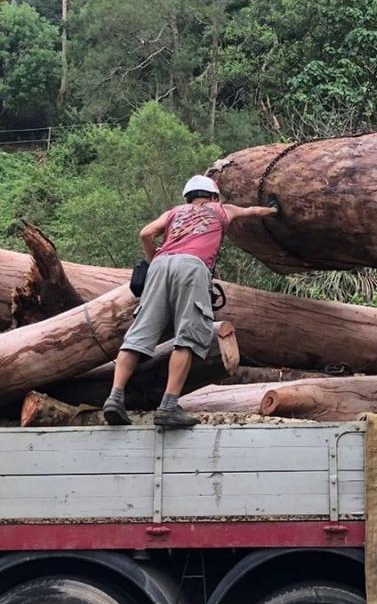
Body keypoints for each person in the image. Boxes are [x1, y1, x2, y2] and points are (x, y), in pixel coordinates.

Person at [102, 175, 279, 428]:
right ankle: (168, 406)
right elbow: (252, 211)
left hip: (161, 264)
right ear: (213, 196)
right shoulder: (222, 209)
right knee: (188, 335)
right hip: (192, 266)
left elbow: (146, 233)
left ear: (188, 196)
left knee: (139, 335)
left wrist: (154, 260)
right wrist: (274, 209)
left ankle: (114, 397)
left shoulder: (175, 212)